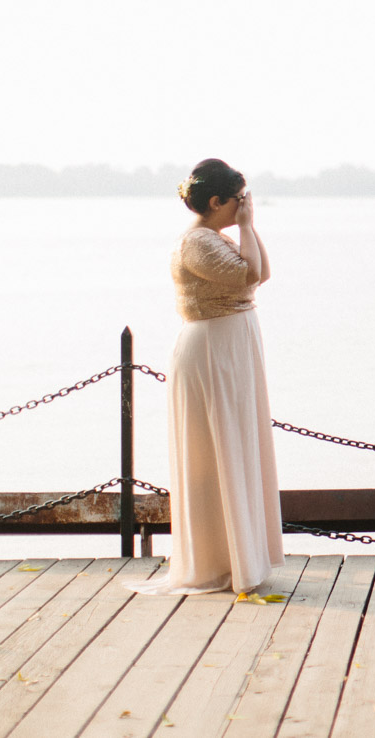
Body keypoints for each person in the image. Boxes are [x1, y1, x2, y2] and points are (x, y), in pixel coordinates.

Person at [128, 158, 284, 595]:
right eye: (239, 198)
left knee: (238, 442)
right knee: (215, 448)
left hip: (231, 344)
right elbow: (248, 275)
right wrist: (247, 228)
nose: (246, 204)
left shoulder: (216, 237)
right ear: (217, 202)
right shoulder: (197, 243)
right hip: (211, 348)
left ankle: (243, 555)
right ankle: (218, 558)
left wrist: (247, 228)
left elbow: (263, 273)